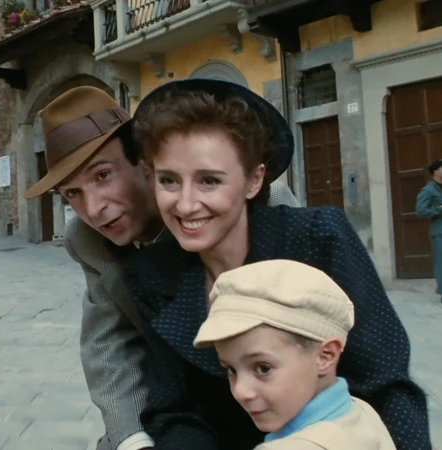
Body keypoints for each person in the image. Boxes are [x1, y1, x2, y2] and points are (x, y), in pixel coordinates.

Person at [123, 78, 432, 450]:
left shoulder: (318, 238)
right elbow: (175, 409)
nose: (186, 205)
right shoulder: (152, 274)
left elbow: (386, 383)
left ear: (254, 180)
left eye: (209, 181)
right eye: (169, 181)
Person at [23, 85, 300, 450]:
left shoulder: (263, 202)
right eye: (72, 193)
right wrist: (133, 440)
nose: (93, 208)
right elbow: (108, 345)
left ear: (145, 162)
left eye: (103, 175)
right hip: (178, 404)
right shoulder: (87, 240)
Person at [193, 259, 397, 450]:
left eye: (263, 368)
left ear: (325, 356)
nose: (241, 391)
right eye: (231, 370)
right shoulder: (362, 412)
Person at [416, 159, 442, 301]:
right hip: (439, 232)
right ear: (436, 171)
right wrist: (438, 210)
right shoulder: (428, 190)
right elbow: (421, 211)